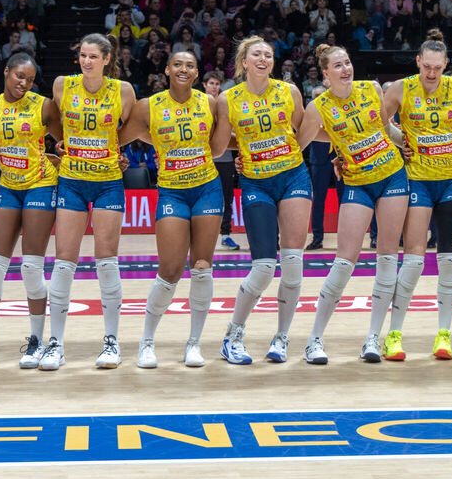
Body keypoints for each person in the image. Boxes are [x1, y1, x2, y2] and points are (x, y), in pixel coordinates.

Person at [296, 44, 409, 364]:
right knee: (345, 261)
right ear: (325, 75)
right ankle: (314, 341)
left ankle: (373, 338)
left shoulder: (372, 89)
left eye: (347, 62)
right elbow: (300, 143)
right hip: (358, 183)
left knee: (387, 258)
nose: (345, 69)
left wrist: (412, 143)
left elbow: (387, 130)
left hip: (393, 177)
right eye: (338, 65)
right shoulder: (318, 107)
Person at [119, 51, 223, 368]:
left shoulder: (210, 103)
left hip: (207, 189)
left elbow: (220, 144)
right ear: (166, 70)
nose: (183, 69)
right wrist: (113, 155)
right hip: (172, 192)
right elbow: (119, 138)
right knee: (170, 270)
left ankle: (194, 344)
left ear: (197, 73)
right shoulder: (148, 106)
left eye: (190, 65)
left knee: (202, 266)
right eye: (177, 64)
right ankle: (146, 342)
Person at [211, 36, 311, 364]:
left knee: (293, 264)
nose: (263, 59)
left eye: (268, 55)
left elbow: (304, 130)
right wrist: (245, 148)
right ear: (244, 62)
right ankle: (233, 335)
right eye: (257, 54)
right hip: (256, 182)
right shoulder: (228, 99)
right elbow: (220, 146)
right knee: (264, 267)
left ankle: (281, 337)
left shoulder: (289, 91)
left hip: (293, 176)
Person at [44, 33, 136, 369]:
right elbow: (53, 122)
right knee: (64, 261)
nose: (86, 61)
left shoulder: (123, 91)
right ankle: (55, 343)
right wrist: (63, 142)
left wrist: (116, 152)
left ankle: (112, 342)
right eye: (83, 55)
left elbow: (130, 130)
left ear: (107, 59)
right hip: (71, 181)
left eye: (93, 56)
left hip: (108, 182)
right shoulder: (62, 85)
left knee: (106, 261)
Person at [381, 29, 452, 360]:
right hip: (417, 179)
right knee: (414, 259)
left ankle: (443, 335)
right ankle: (394, 335)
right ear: (418, 61)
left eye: (437, 67)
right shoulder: (400, 88)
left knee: (449, 259)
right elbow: (378, 120)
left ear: (446, 64)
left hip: (451, 180)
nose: (432, 73)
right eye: (426, 66)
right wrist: (398, 141)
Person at [0, 51, 58, 369]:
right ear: (7, 72)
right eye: (19, 76)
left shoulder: (44, 105)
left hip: (40, 184)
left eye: (30, 79)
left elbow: (67, 140)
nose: (24, 83)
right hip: (9, 187)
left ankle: (37, 341)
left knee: (31, 268)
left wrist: (59, 156)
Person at [203, 70, 241, 251]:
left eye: (217, 84)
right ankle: (202, 237)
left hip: (225, 159)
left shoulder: (225, 104)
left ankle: (225, 235)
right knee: (205, 198)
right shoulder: (199, 104)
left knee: (227, 197)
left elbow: (233, 129)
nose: (214, 87)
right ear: (204, 85)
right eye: (211, 83)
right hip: (204, 159)